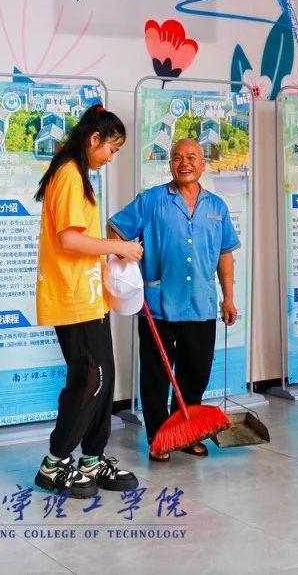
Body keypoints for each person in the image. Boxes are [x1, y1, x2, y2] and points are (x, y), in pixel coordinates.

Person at [32, 104, 143, 499]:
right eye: (112, 149)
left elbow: (80, 240)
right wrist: (119, 247)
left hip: (90, 296)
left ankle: (92, 459)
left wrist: (111, 254)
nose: (111, 158)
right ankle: (54, 464)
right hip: (72, 296)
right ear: (94, 139)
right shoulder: (68, 175)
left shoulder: (78, 175)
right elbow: (69, 239)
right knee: (89, 379)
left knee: (103, 378)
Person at [107, 138, 239, 462]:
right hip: (158, 306)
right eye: (177, 157)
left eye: (192, 157)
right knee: (156, 377)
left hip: (201, 304)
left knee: (196, 374)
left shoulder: (217, 207)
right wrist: (126, 262)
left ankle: (187, 433)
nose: (184, 163)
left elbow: (225, 254)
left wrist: (229, 299)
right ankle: (159, 437)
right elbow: (115, 230)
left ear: (203, 164)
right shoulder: (151, 200)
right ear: (170, 164)